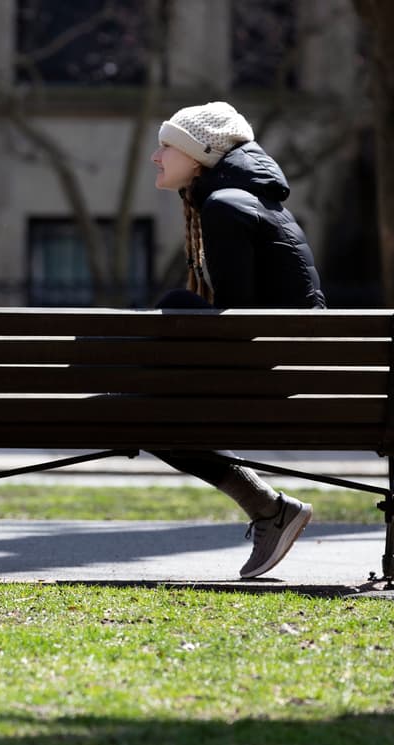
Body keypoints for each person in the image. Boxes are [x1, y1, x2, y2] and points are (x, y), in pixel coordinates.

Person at [150, 100, 324, 579]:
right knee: (138, 406)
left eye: (167, 145)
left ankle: (269, 509)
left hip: (274, 384)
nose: (156, 156)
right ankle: (269, 509)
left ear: (200, 154)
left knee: (136, 405)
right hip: (292, 375)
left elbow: (236, 326)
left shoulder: (227, 207)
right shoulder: (242, 201)